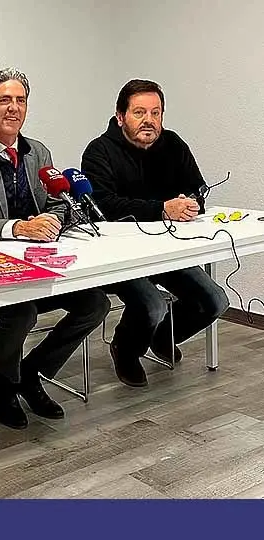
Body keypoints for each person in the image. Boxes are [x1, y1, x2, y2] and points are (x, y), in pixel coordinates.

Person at [0, 67, 110, 429]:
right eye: (5, 100)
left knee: (96, 303)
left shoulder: (39, 152)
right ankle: (2, 382)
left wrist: (54, 220)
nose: (14, 108)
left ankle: (32, 371)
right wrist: (18, 228)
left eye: (21, 101)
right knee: (23, 312)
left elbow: (57, 201)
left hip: (42, 261)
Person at [81, 78, 229, 387]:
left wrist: (191, 203)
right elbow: (104, 207)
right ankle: (125, 348)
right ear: (121, 116)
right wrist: (161, 209)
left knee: (215, 301)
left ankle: (163, 335)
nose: (149, 120)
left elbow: (195, 187)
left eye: (156, 112)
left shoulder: (173, 143)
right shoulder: (99, 151)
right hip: (119, 255)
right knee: (153, 304)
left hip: (169, 249)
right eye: (139, 112)